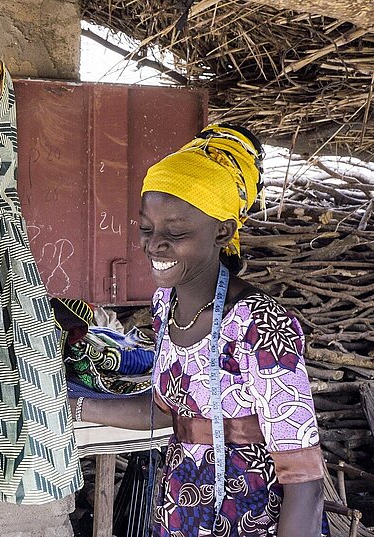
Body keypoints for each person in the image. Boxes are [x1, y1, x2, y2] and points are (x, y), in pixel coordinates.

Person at [71, 124, 328, 537]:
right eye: (147, 228)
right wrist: (71, 407)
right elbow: (166, 412)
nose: (155, 244)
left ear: (222, 231)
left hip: (250, 519)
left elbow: (305, 478)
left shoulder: (259, 324)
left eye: (175, 232)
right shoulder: (165, 306)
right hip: (183, 512)